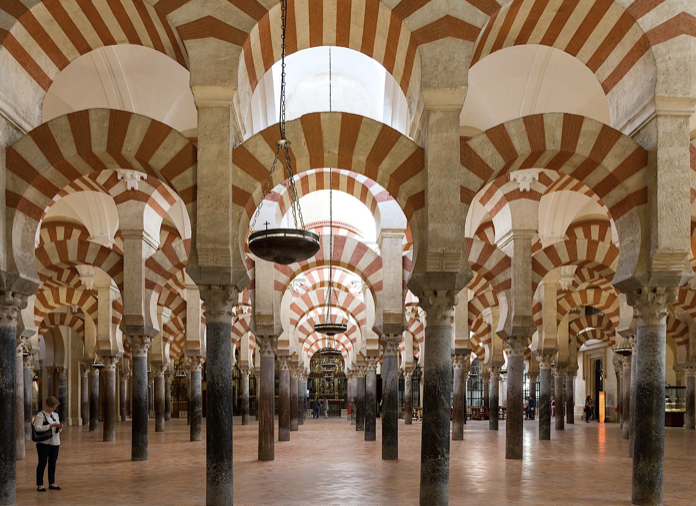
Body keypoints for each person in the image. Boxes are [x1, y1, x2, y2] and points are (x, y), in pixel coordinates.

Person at [33, 395, 63, 492]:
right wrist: (51, 425)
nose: (53, 409)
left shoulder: (56, 415)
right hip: (43, 443)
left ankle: (52, 483)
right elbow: (37, 428)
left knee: (52, 463)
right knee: (42, 463)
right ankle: (40, 484)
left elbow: (56, 429)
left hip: (55, 442)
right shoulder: (40, 415)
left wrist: (59, 428)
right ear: (47, 405)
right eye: (52, 407)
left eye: (54, 407)